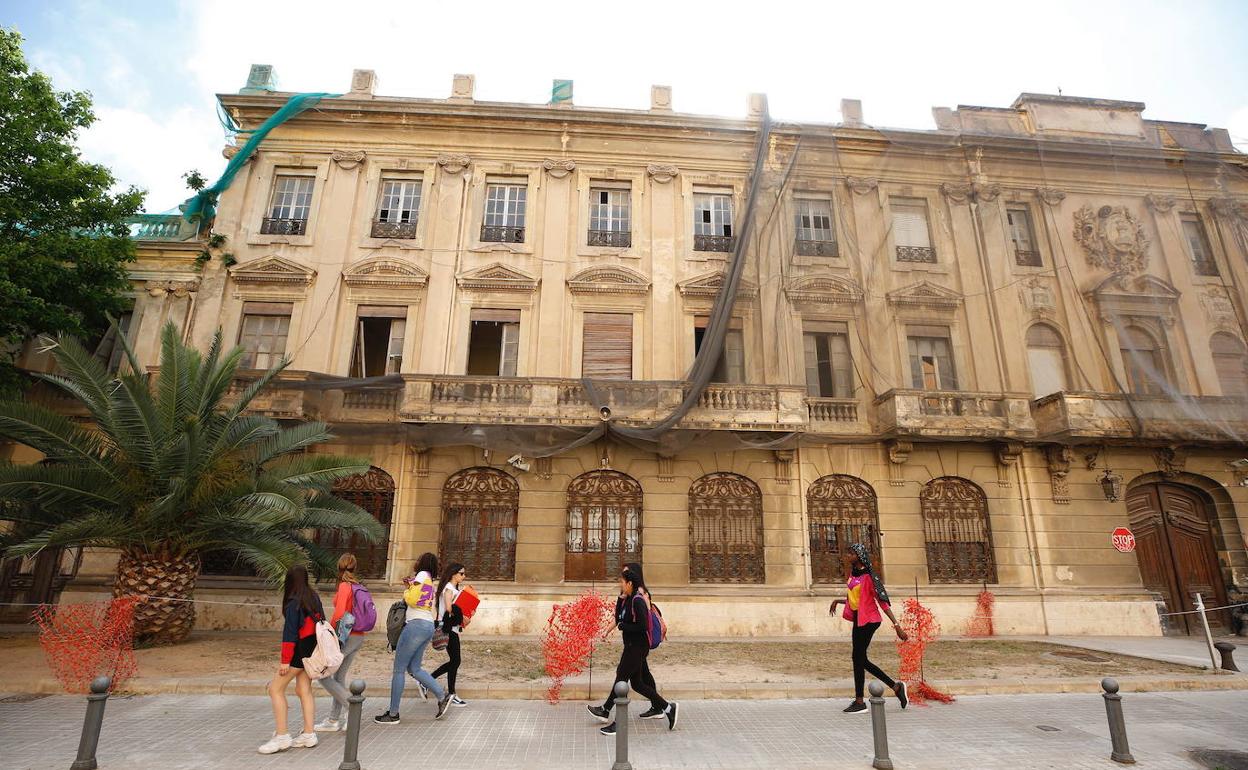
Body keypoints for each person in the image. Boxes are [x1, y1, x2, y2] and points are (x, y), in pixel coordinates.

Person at [587, 568, 677, 735]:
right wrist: (620, 601)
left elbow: (643, 626)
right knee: (637, 684)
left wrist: (624, 627)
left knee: (621, 680)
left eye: (622, 581)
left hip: (637, 647)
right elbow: (619, 617)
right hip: (631, 646)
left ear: (630, 583)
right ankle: (667, 707)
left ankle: (616, 723)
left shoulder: (638, 600)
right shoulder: (627, 599)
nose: (620, 584)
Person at [828, 543, 909, 714]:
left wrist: (897, 626)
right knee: (859, 658)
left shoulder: (869, 577)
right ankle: (895, 687)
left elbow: (882, 602)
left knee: (858, 658)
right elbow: (854, 598)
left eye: (851, 553)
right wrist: (838, 601)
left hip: (870, 620)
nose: (848, 555)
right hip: (859, 619)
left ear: (859, 555)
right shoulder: (853, 574)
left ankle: (860, 701)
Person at [375, 552, 451, 724]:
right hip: (427, 625)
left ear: (422, 563)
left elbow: (411, 599)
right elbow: (420, 596)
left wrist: (407, 589)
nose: (415, 561)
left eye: (417, 559)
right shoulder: (429, 579)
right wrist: (410, 585)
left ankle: (393, 713)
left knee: (399, 670)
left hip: (415, 625)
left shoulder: (421, 575)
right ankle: (441, 695)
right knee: (414, 668)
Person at [259, 565, 325, 754]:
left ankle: (282, 736)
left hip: (298, 653)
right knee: (304, 689)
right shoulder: (314, 597)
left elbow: (289, 634)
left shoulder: (293, 603)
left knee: (275, 689)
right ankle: (309, 734)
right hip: (312, 650)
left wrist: (285, 661)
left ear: (289, 581)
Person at [314, 553, 368, 732]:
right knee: (338, 677)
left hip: (346, 636)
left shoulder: (345, 586)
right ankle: (333, 720)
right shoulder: (358, 585)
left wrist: (329, 635)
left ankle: (351, 707)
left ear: (339, 567)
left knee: (322, 674)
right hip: (358, 635)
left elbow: (339, 613)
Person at [620, 561, 662, 719]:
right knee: (642, 676)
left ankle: (663, 706)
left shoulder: (640, 595)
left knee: (627, 677)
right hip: (635, 643)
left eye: (626, 573)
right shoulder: (631, 594)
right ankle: (660, 706)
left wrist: (625, 626)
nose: (622, 577)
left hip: (638, 643)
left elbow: (643, 622)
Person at [431, 561, 469, 706]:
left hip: (452, 628)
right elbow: (448, 608)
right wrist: (462, 615)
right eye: (461, 573)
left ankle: (430, 682)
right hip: (446, 628)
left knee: (455, 661)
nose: (463, 576)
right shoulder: (448, 588)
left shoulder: (454, 588)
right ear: (453, 573)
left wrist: (466, 615)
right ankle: (449, 693)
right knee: (456, 661)